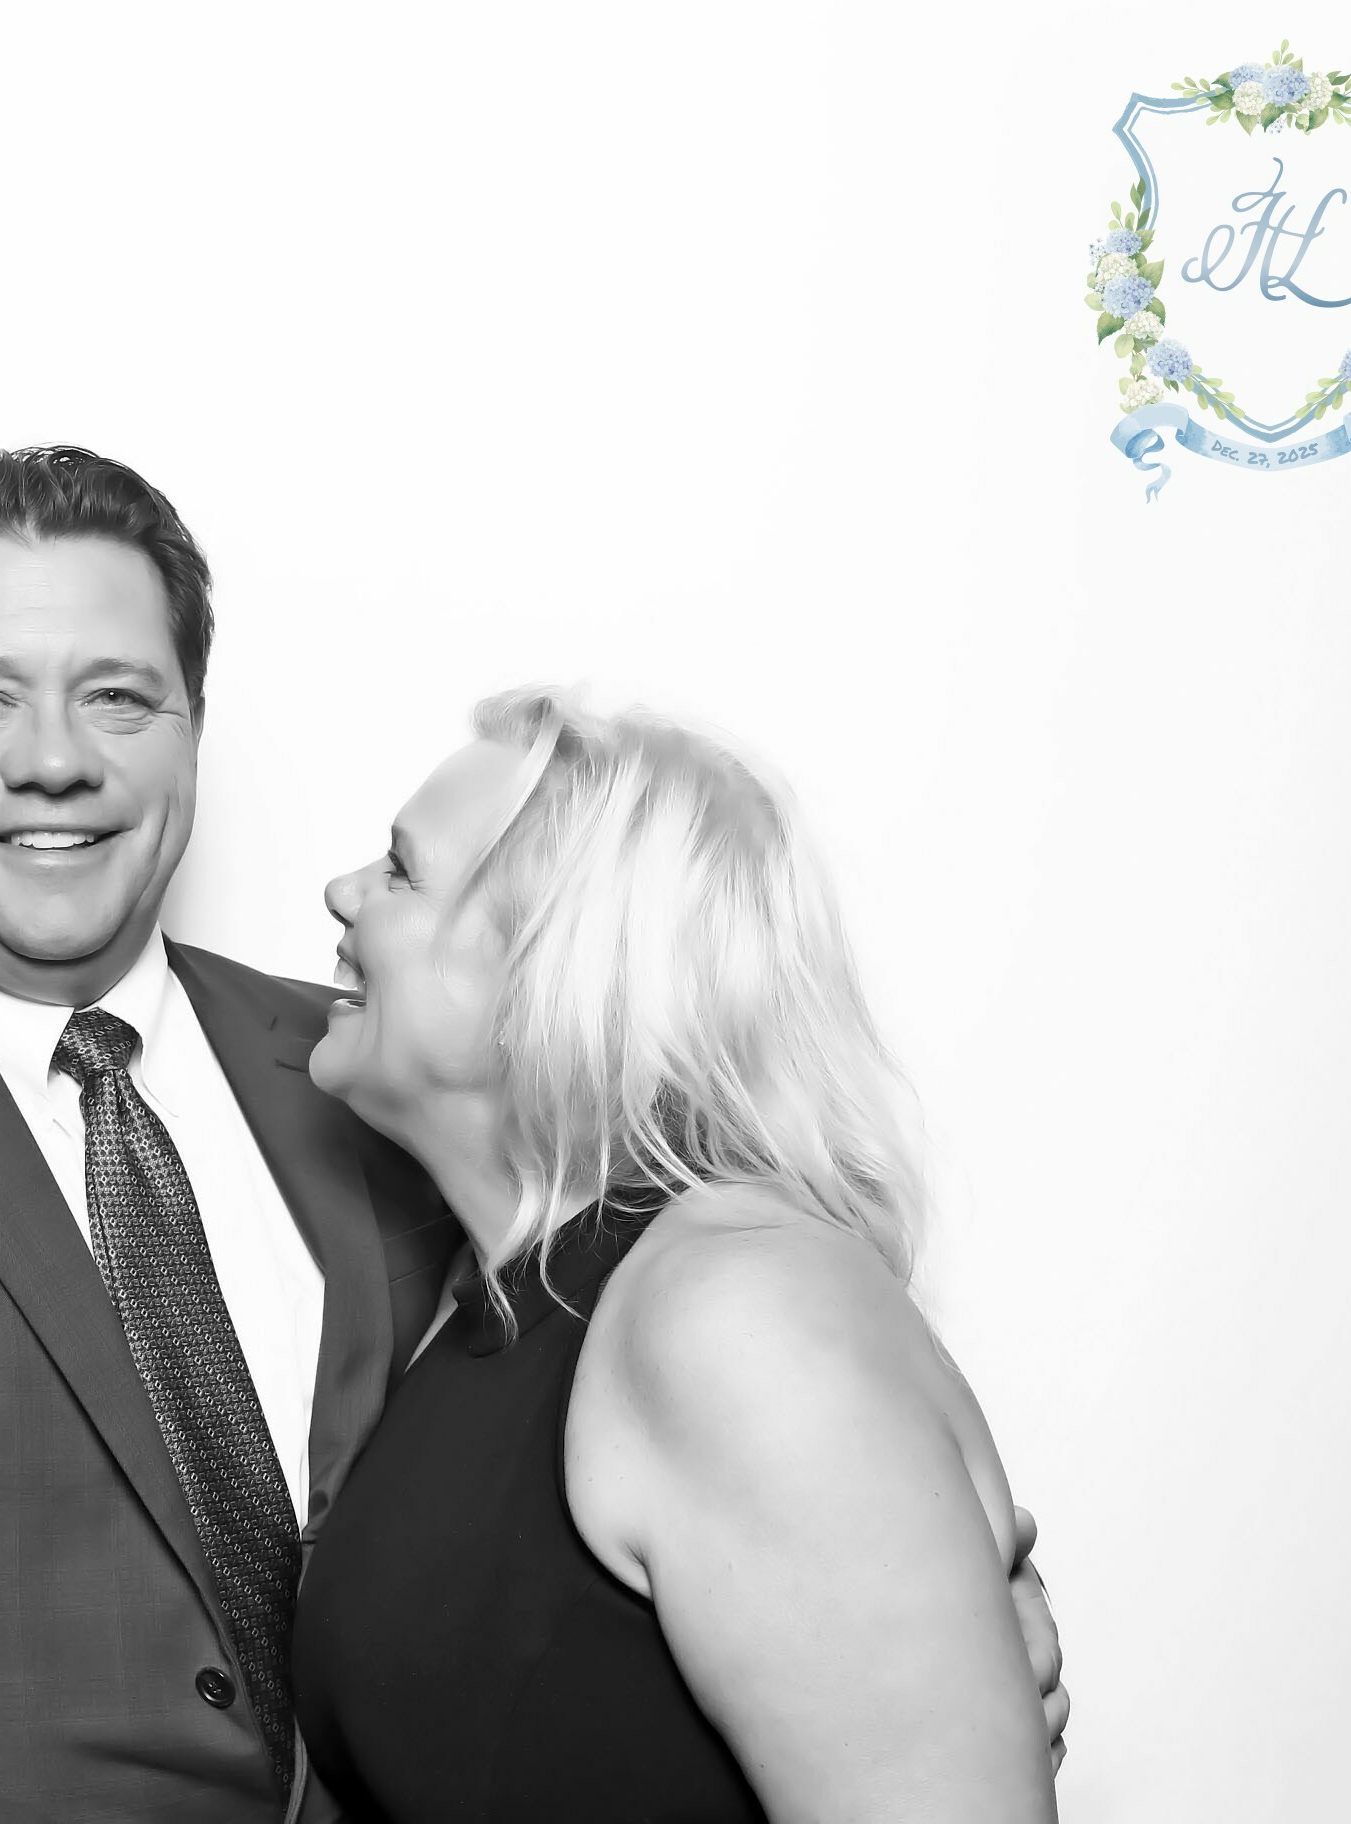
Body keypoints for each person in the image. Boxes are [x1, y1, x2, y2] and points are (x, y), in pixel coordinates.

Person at [0, 448, 1064, 1823]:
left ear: (193, 731)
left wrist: (936, 1618)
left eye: (119, 695)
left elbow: (689, 1440)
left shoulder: (391, 1080)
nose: (54, 757)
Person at [294, 688, 1062, 1821]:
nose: (343, 890)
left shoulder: (735, 1310)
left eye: (402, 873)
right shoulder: (506, 1304)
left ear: (552, 968)